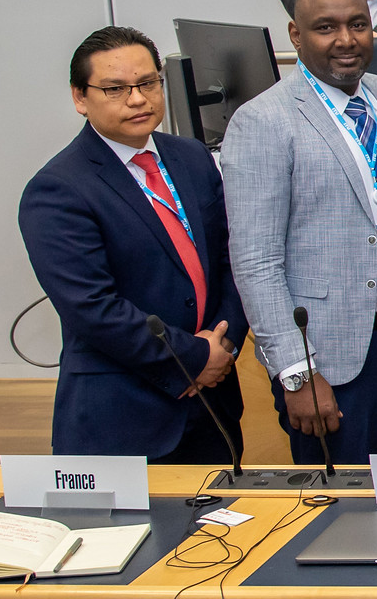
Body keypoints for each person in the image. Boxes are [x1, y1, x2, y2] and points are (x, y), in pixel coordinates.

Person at [219, 0, 377, 464]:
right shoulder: (264, 121)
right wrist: (296, 372)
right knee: (341, 523)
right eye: (326, 27)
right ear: (295, 35)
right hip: (328, 361)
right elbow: (256, 262)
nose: (346, 39)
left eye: (358, 24)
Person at [19, 27, 246, 460]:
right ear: (80, 98)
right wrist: (195, 356)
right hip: (124, 417)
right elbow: (93, 309)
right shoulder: (58, 189)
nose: (138, 99)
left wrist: (224, 345)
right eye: (115, 88)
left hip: (214, 404)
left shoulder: (192, 157)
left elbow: (230, 261)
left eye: (147, 83)